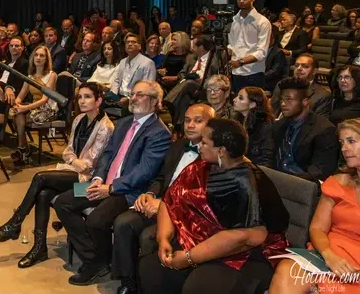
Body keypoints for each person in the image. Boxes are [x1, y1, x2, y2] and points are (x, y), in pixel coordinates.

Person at [139, 118, 290, 294]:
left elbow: (246, 237)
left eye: (204, 142)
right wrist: (163, 238)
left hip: (243, 254)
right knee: (152, 269)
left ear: (221, 150)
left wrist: (189, 257)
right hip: (199, 238)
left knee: (198, 287)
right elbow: (170, 200)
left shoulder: (247, 183)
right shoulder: (200, 166)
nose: (199, 146)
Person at [54, 80, 171, 286]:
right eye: (133, 94)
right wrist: (98, 179)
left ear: (154, 101)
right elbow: (107, 155)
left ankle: (95, 263)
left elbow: (144, 172)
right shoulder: (124, 123)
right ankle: (96, 259)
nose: (133, 98)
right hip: (101, 184)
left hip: (125, 192)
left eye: (140, 95)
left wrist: (111, 188)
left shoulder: (159, 133)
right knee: (63, 201)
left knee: (96, 221)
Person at [0, 83, 113, 268]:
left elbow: (90, 165)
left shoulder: (106, 126)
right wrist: (75, 162)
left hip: (89, 185)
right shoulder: (78, 119)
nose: (82, 101)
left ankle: (15, 223)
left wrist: (75, 162)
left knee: (40, 177)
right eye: (80, 97)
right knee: (44, 194)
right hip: (74, 175)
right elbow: (67, 151)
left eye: (88, 97)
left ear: (98, 100)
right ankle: (39, 248)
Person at [111, 103, 214, 294]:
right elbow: (160, 177)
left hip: (184, 214)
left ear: (211, 125)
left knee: (148, 236)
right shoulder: (178, 145)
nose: (190, 125)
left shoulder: (213, 155)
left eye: (198, 121)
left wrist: (165, 205)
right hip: (159, 201)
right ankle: (129, 281)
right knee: (123, 222)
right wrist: (150, 194)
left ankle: (149, 285)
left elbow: (200, 198)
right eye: (187, 120)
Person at [269, 118, 360, 294]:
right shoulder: (338, 183)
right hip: (327, 254)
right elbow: (317, 228)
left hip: (354, 269)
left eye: (351, 141)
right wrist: (329, 255)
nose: (344, 149)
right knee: (288, 270)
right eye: (342, 142)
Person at [272, 76, 339, 182]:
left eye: (289, 99)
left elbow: (319, 171)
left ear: (305, 102)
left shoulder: (324, 130)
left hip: (303, 185)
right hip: (277, 179)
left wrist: (288, 181)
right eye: (281, 99)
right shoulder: (279, 125)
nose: (283, 104)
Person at [9, 45, 58, 166]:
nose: (38, 58)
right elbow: (20, 96)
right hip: (34, 108)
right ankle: (23, 148)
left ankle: (23, 149)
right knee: (17, 113)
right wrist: (16, 104)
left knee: (19, 115)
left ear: (47, 59)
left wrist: (24, 108)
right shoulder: (30, 76)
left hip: (47, 109)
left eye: (42, 56)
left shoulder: (52, 75)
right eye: (36, 55)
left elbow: (44, 100)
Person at [228, 0, 272, 94]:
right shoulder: (234, 20)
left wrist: (240, 62)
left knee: (254, 107)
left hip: (254, 72)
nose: (241, 1)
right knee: (237, 105)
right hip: (235, 72)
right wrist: (227, 52)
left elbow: (261, 52)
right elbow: (232, 44)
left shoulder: (262, 22)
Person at [231, 86, 275, 166]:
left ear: (252, 104)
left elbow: (266, 158)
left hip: (256, 170)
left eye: (240, 98)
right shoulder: (237, 121)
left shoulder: (264, 125)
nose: (234, 99)